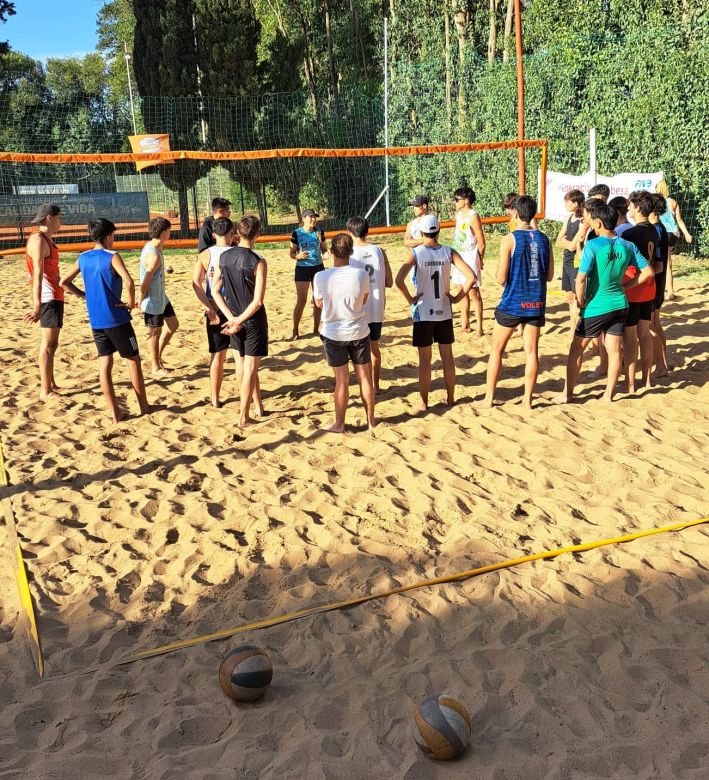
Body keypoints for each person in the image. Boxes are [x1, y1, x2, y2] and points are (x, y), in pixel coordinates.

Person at [555, 201, 654, 404]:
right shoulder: (628, 245)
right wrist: (625, 286)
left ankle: (567, 394)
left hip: (596, 305)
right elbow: (649, 272)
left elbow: (581, 278)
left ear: (599, 223)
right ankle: (608, 395)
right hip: (619, 303)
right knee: (614, 349)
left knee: (576, 349)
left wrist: (581, 301)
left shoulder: (593, 245)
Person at [59, 218, 150, 422]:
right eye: (113, 236)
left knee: (105, 364)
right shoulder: (112, 256)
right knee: (133, 360)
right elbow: (128, 281)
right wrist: (130, 302)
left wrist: (83, 295)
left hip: (96, 320)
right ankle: (144, 406)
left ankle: (115, 413)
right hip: (117, 319)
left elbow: (63, 282)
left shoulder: (83, 257)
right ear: (109, 236)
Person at [395, 214, 475, 411]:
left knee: (425, 360)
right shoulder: (448, 251)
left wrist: (410, 300)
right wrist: (456, 298)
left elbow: (398, 281)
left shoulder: (416, 252)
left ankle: (424, 401)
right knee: (447, 356)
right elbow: (471, 277)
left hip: (423, 311)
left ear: (421, 233)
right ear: (439, 231)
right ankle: (450, 397)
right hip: (444, 311)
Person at [480, 195, 553, 410]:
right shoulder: (544, 239)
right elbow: (549, 276)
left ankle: (489, 398)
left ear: (515, 213)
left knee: (497, 351)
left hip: (513, 302)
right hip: (536, 302)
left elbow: (501, 278)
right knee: (531, 352)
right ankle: (528, 400)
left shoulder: (509, 239)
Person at [313, 233, 376, 432]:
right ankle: (371, 421)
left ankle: (339, 423)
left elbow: (318, 303)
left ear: (331, 251)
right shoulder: (361, 274)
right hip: (358, 330)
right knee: (364, 377)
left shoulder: (321, 276)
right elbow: (364, 300)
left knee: (342, 380)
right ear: (351, 252)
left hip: (334, 333)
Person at [211, 215, 268, 429]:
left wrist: (231, 318)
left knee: (241, 366)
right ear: (257, 234)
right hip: (251, 320)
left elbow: (216, 291)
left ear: (237, 233)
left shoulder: (224, 257)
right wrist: (238, 320)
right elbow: (257, 302)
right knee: (250, 369)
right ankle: (244, 416)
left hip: (234, 318)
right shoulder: (258, 261)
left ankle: (258, 407)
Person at [347, 216, 393, 394]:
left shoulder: (349, 254)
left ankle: (364, 387)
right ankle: (376, 386)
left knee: (358, 352)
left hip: (357, 309)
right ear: (368, 231)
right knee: (375, 348)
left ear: (350, 232)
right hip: (376, 308)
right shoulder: (379, 251)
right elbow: (389, 282)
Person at [192, 216, 235, 407]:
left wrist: (208, 307)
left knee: (218, 356)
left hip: (215, 310)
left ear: (213, 234)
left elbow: (196, 283)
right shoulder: (239, 252)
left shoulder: (205, 254)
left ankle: (215, 398)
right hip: (236, 309)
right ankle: (251, 398)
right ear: (233, 234)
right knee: (242, 357)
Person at [22, 204, 64, 400]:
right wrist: (37, 305)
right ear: (49, 218)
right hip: (48, 297)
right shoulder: (38, 240)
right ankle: (45, 390)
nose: (60, 221)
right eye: (58, 217)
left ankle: (51, 383)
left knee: (52, 344)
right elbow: (37, 275)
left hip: (53, 295)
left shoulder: (45, 239)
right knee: (48, 344)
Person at [622, 190, 657, 392]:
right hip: (649, 289)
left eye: (630, 206)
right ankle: (647, 380)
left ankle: (631, 383)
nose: (628, 209)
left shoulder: (630, 234)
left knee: (630, 336)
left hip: (634, 288)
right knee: (645, 333)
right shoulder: (655, 231)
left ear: (636, 208)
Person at [139, 217, 179, 375]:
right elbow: (145, 282)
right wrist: (139, 300)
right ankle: (155, 366)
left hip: (161, 296)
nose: (170, 233)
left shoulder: (155, 246)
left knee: (173, 325)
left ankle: (158, 357)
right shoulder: (153, 254)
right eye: (169, 231)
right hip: (152, 300)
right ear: (163, 233)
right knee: (154, 332)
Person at [451, 186, 486, 336]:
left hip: (470, 258)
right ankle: (465, 324)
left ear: (466, 201)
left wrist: (480, 259)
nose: (455, 202)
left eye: (457, 199)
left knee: (474, 294)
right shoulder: (459, 215)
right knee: (461, 292)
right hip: (459, 258)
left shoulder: (473, 216)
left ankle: (479, 327)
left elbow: (481, 241)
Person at [290, 208, 327, 339]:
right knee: (302, 300)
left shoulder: (319, 232)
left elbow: (324, 249)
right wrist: (298, 256)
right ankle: (295, 329)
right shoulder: (297, 233)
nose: (314, 219)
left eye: (315, 217)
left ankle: (316, 329)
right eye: (311, 217)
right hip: (302, 268)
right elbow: (291, 253)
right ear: (303, 218)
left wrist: (326, 254)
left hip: (318, 267)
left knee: (318, 300)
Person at [555, 189, 587, 332]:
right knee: (569, 298)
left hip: (577, 262)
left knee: (576, 300)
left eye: (567, 202)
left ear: (576, 203)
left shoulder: (583, 221)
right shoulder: (568, 218)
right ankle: (574, 330)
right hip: (567, 261)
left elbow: (574, 245)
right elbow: (557, 241)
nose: (565, 204)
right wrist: (568, 243)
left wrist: (566, 243)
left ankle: (580, 331)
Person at [655, 180, 693, 301]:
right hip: (674, 233)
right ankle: (669, 290)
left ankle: (669, 291)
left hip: (663, 233)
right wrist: (687, 234)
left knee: (666, 262)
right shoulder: (672, 202)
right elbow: (679, 220)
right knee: (667, 260)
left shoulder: (655, 202)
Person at [649, 194, 670, 377]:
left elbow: (658, 264)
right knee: (655, 323)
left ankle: (662, 366)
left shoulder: (656, 230)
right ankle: (663, 363)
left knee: (652, 325)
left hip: (655, 284)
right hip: (658, 283)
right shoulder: (660, 228)